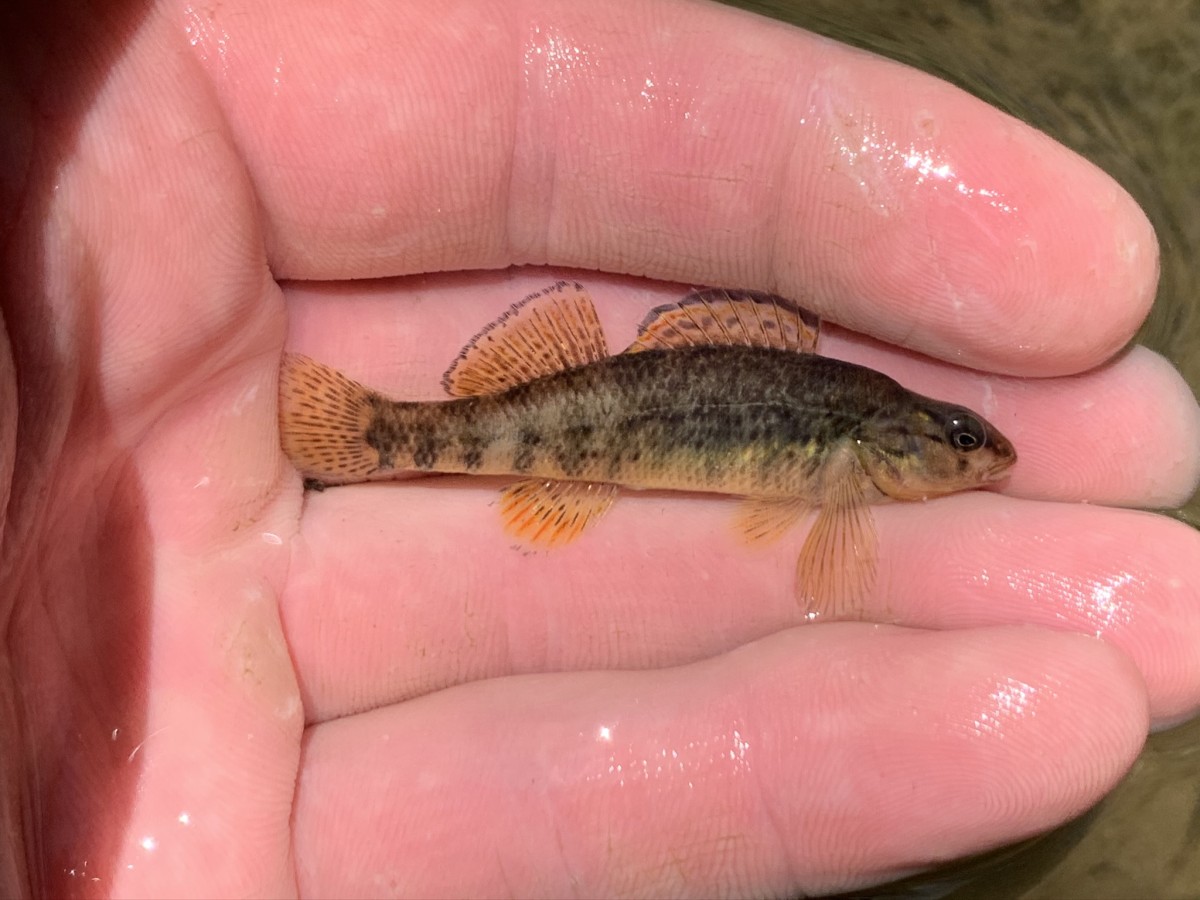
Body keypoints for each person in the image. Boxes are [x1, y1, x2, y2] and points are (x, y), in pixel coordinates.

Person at [3, 1, 1198, 896]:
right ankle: (378, 437)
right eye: (954, 444)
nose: (972, 457)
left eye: (963, 444)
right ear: (886, 446)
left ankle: (386, 439)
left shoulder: (859, 428)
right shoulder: (853, 441)